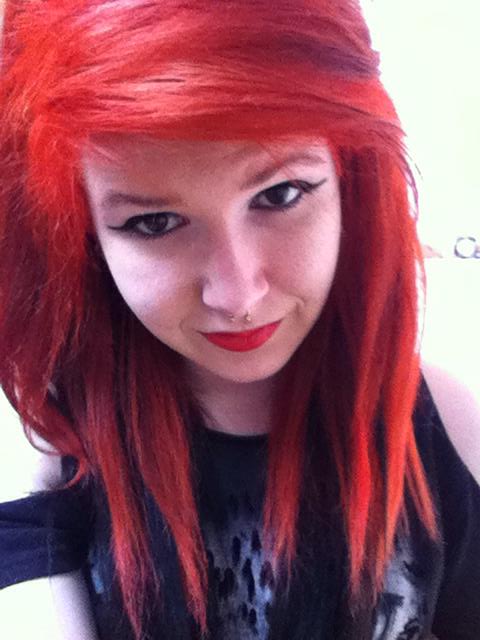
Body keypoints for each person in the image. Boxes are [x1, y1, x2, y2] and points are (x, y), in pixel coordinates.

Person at [0, 1, 479, 639]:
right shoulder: (50, 437)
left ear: (350, 180)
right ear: (85, 235)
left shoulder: (440, 424)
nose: (236, 294)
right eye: (154, 222)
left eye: (280, 194)